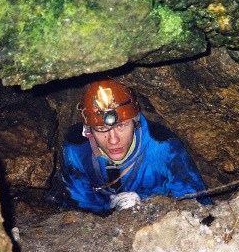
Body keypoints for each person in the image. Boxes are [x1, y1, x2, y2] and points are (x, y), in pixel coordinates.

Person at [59, 78, 211, 213]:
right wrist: (111, 208)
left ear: (135, 122)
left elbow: (197, 206)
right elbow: (77, 209)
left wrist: (145, 202)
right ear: (88, 131)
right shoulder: (76, 149)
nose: (113, 140)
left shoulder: (164, 147)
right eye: (101, 129)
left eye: (121, 126)